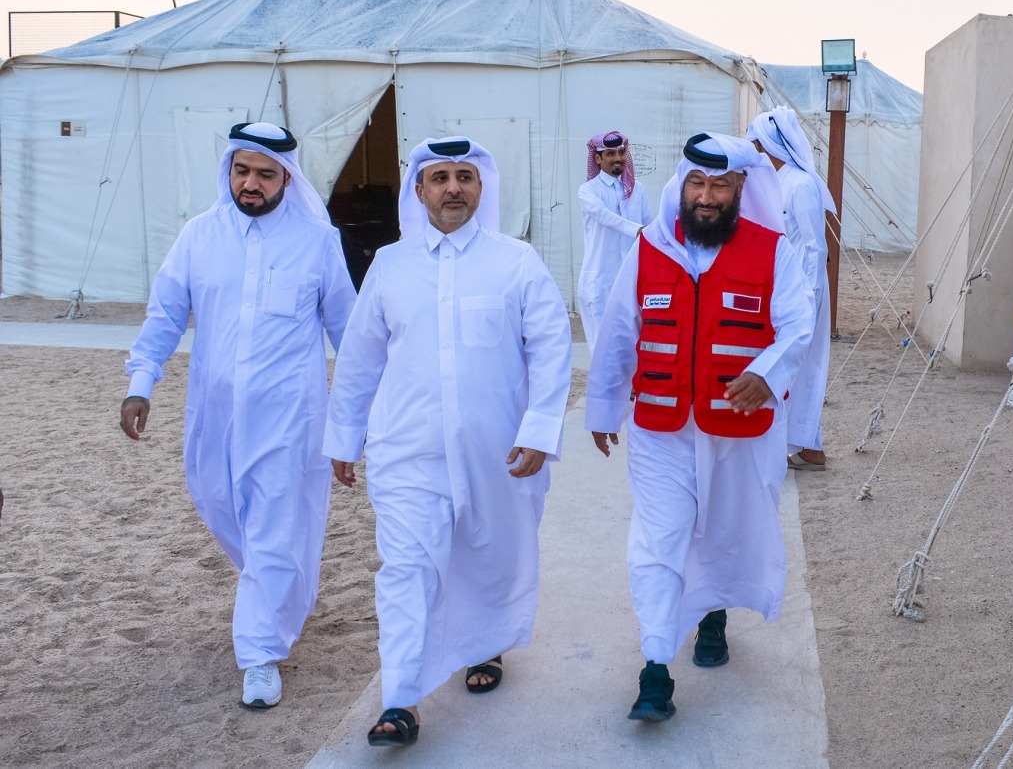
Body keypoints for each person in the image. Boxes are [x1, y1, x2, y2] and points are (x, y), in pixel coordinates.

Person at [323, 136, 573, 748]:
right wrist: (343, 436)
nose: (453, 188)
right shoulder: (390, 264)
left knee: (487, 556)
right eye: (439, 178)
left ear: (481, 188)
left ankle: (485, 646)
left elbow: (551, 349)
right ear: (420, 191)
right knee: (406, 570)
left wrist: (540, 429)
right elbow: (359, 358)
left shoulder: (516, 262)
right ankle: (400, 699)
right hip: (405, 451)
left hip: (500, 453)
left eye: (464, 176)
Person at [120, 122, 357, 709]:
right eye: (241, 171)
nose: (250, 184)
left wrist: (357, 417)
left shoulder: (316, 240)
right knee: (224, 510)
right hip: (214, 416)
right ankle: (279, 591)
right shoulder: (199, 236)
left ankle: (259, 655)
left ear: (287, 179)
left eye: (264, 174)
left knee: (275, 529)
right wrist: (141, 382)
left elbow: (348, 333)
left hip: (290, 418)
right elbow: (165, 314)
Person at [586, 132, 815, 721]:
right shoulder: (649, 248)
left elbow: (797, 325)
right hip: (661, 427)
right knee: (657, 539)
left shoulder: (773, 251)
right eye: (696, 183)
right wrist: (603, 408)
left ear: (740, 188)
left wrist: (766, 373)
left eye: (719, 185)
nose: (706, 197)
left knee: (721, 529)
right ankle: (656, 667)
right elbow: (618, 331)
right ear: (680, 186)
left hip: (740, 427)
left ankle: (712, 615)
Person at [747, 107, 838, 471]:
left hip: (804, 292)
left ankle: (791, 447)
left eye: (754, 143)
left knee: (798, 370)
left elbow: (816, 247)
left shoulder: (800, 184)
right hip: (778, 290)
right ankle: (808, 449)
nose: (751, 150)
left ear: (769, 144)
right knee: (787, 369)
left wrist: (811, 298)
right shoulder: (771, 182)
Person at [577, 130, 653, 352]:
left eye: (621, 152)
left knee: (633, 341)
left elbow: (649, 226)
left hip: (633, 278)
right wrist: (638, 230)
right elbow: (604, 216)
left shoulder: (637, 189)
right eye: (610, 153)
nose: (617, 158)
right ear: (598, 158)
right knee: (602, 344)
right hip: (601, 279)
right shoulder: (588, 191)